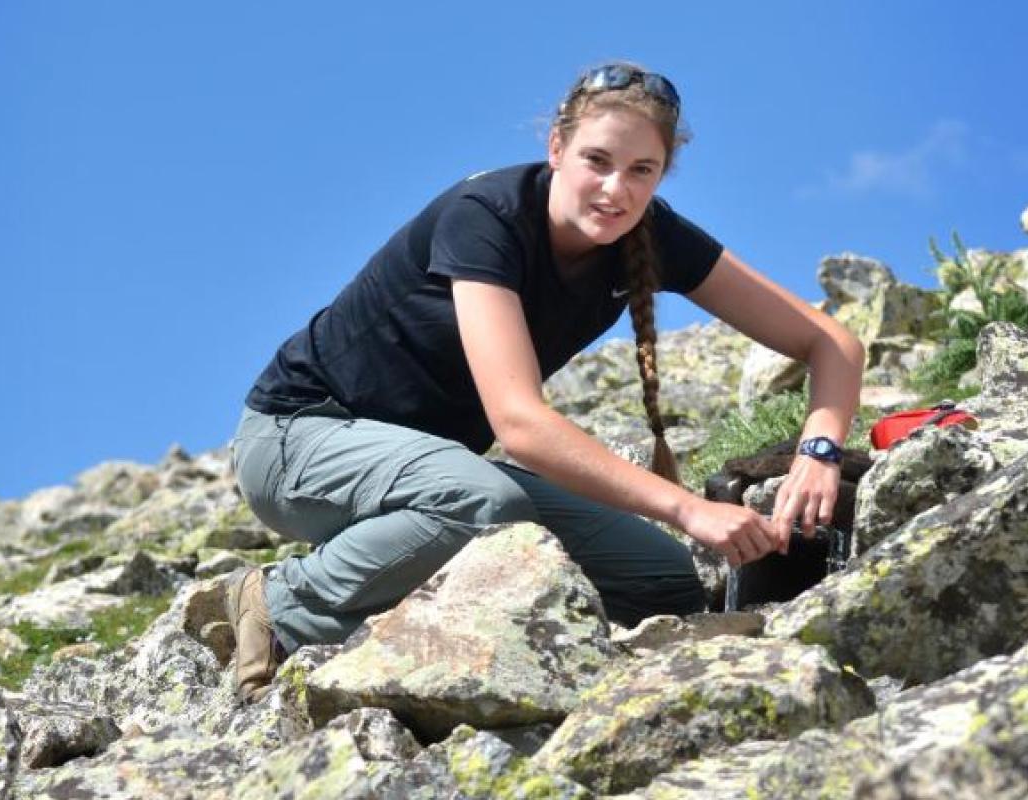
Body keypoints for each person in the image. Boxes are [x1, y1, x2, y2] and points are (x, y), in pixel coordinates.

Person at [225, 62, 865, 703]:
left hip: (429, 467)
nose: (615, 189)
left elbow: (830, 343)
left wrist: (819, 451)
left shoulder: (651, 236)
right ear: (556, 148)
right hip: (298, 438)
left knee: (662, 580)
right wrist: (689, 508)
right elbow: (520, 425)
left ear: (662, 174)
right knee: (484, 507)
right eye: (597, 160)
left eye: (642, 170)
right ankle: (282, 601)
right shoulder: (487, 216)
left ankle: (403, 601)